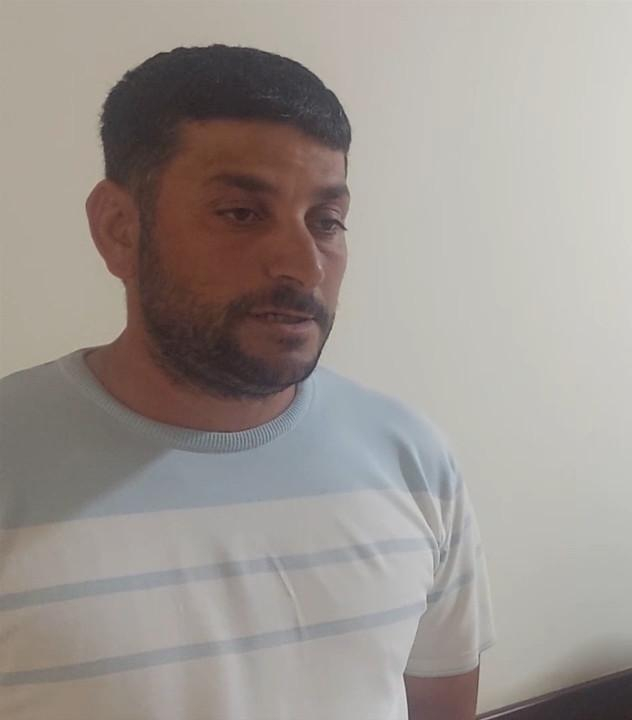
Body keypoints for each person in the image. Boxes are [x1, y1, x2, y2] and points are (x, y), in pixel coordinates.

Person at [0, 45, 495, 720]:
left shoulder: (413, 459)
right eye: (240, 213)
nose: (304, 265)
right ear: (119, 229)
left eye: (326, 221)